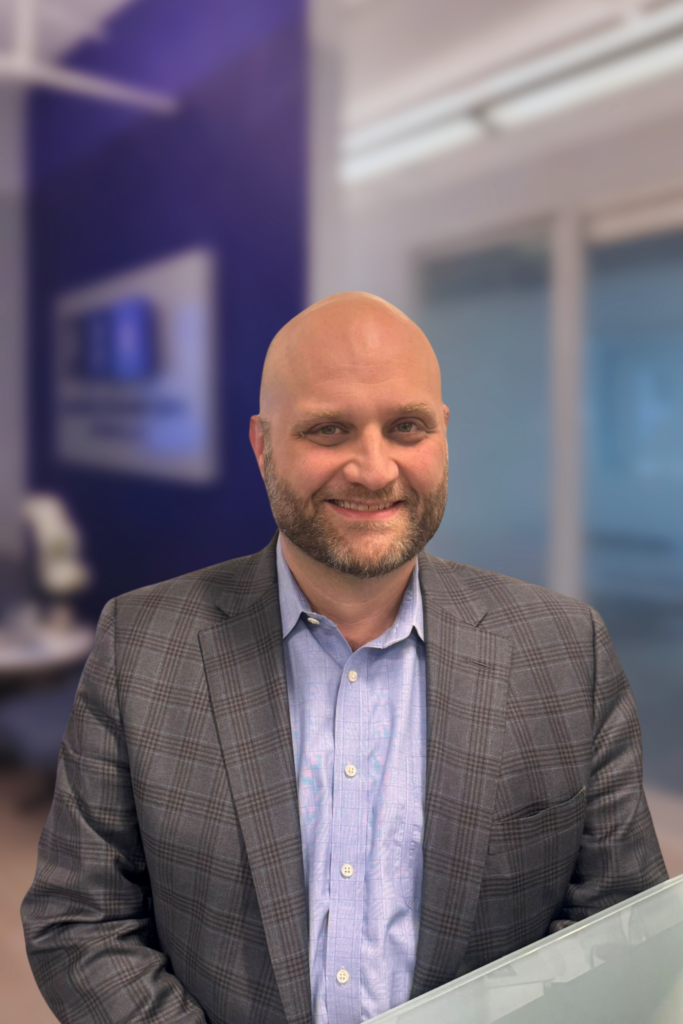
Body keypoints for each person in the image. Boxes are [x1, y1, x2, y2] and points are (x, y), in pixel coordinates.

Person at [22, 293, 667, 1024]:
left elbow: (619, 927)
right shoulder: (141, 643)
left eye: (406, 427)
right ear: (264, 445)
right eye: (329, 429)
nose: (372, 468)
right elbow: (80, 921)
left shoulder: (564, 650)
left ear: (442, 435)